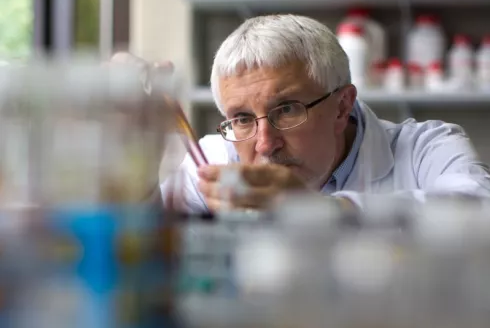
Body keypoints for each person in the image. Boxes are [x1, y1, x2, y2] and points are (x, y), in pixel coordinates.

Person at [160, 14, 490, 213]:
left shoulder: (424, 149)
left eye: (286, 109)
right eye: (243, 118)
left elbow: (477, 212)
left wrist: (322, 211)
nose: (264, 144)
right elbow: (134, 239)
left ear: (343, 106)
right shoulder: (216, 159)